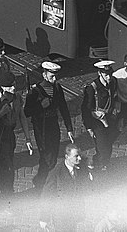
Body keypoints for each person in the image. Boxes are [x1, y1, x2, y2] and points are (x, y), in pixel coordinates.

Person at [25, 61, 74, 191]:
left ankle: (40, 180)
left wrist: (69, 128)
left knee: (52, 155)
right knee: (48, 157)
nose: (55, 79)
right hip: (41, 127)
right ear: (44, 75)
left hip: (53, 125)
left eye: (55, 76)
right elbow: (27, 112)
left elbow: (63, 107)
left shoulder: (57, 88)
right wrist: (40, 106)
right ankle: (44, 184)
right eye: (52, 76)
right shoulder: (35, 91)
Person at [0, 72, 31, 198]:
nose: (13, 88)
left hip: (10, 135)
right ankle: (5, 191)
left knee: (7, 162)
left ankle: (0, 186)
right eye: (10, 86)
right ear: (3, 88)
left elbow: (22, 116)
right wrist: (0, 113)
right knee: (6, 165)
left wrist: (28, 139)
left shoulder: (17, 98)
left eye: (14, 84)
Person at [40, 143, 93, 231]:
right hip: (61, 217)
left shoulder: (80, 168)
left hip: (75, 214)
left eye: (79, 155)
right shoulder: (56, 173)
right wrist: (44, 218)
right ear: (67, 156)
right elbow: (46, 195)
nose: (79, 158)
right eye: (76, 156)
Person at [82, 59, 120, 171]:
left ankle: (102, 165)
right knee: (103, 148)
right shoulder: (92, 88)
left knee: (108, 147)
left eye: (110, 74)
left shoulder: (113, 83)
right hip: (97, 122)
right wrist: (88, 127)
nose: (108, 77)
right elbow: (85, 109)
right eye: (106, 74)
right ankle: (99, 169)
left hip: (110, 119)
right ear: (99, 73)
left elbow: (115, 98)